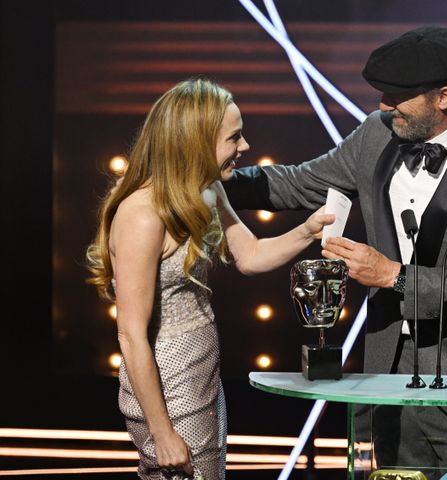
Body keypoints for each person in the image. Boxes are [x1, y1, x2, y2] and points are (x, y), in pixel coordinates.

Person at [223, 26, 447, 478]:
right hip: (387, 369)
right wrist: (208, 181)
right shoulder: (378, 135)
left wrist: (394, 275)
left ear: (444, 97)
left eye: (396, 97)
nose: (381, 107)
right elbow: (298, 182)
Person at [85, 78, 333, 480]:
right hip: (166, 385)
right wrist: (162, 432)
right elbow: (131, 334)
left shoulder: (207, 191)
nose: (245, 147)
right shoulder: (144, 215)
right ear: (195, 142)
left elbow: (250, 255)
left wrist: (307, 231)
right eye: (234, 138)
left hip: (203, 373)